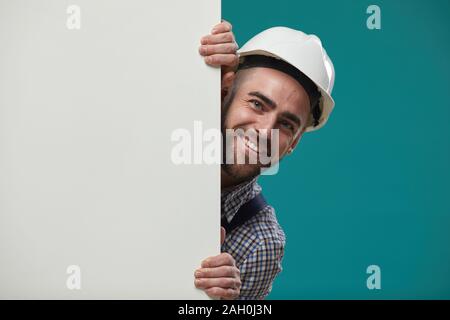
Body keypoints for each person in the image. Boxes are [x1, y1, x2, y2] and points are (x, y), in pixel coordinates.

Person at [194, 21, 335, 300]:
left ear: (293, 143)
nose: (264, 132)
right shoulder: (159, 139)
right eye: (258, 104)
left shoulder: (262, 242)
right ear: (225, 91)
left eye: (285, 124)